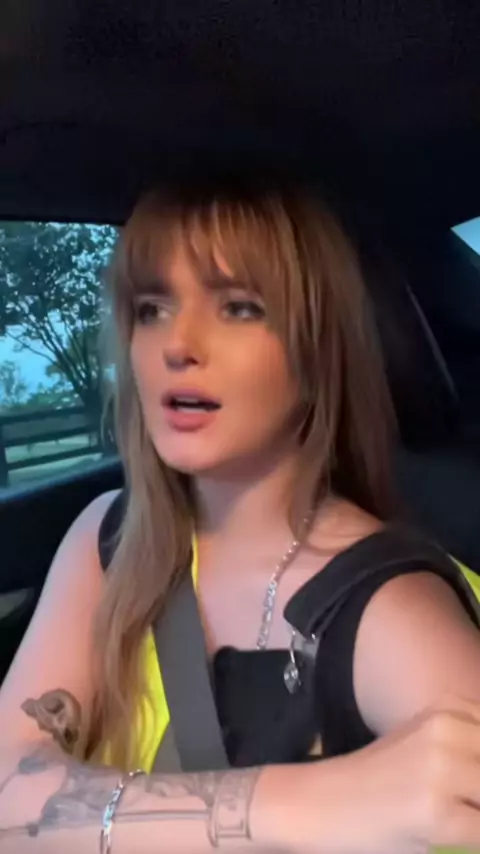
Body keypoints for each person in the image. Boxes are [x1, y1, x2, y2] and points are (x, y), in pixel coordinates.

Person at [1, 181, 480, 854]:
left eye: (239, 307)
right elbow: (6, 787)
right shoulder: (109, 537)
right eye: (152, 309)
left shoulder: (391, 606)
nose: (178, 344)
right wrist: (300, 802)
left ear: (317, 350)